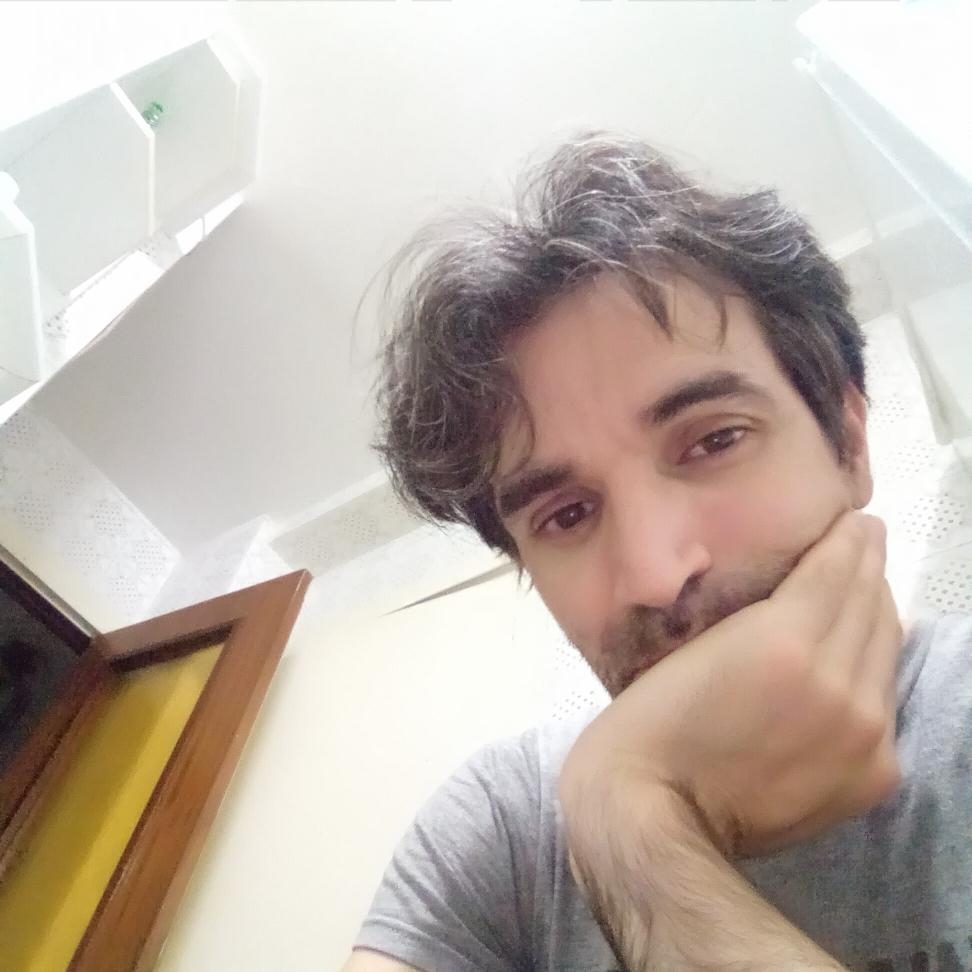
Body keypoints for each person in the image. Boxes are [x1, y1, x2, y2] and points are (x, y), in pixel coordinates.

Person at [342, 133, 972, 972]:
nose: (654, 573)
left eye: (714, 440)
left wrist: (619, 810)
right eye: (566, 515)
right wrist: (620, 821)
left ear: (849, 441)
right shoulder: (503, 830)